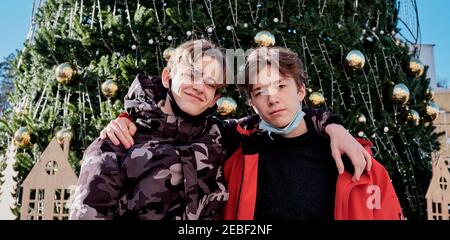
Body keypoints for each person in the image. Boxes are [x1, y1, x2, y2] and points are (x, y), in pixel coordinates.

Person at [99, 45, 382, 220]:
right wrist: (129, 115)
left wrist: (334, 126)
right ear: (252, 103)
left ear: (301, 91)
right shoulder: (125, 138)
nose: (272, 99)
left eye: (281, 86)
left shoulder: (345, 154)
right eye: (260, 91)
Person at [70, 40, 229, 220]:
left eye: (210, 83)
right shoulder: (117, 141)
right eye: (192, 74)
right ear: (167, 77)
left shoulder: (222, 137)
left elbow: (263, 121)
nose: (199, 87)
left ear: (214, 99)